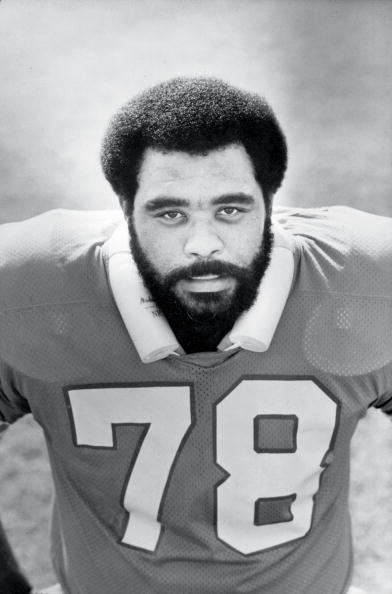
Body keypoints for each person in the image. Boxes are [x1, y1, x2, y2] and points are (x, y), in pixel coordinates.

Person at [0, 77, 390, 594]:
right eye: (169, 213)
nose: (202, 244)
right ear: (124, 208)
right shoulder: (27, 285)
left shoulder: (368, 282)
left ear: (271, 203)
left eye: (230, 210)